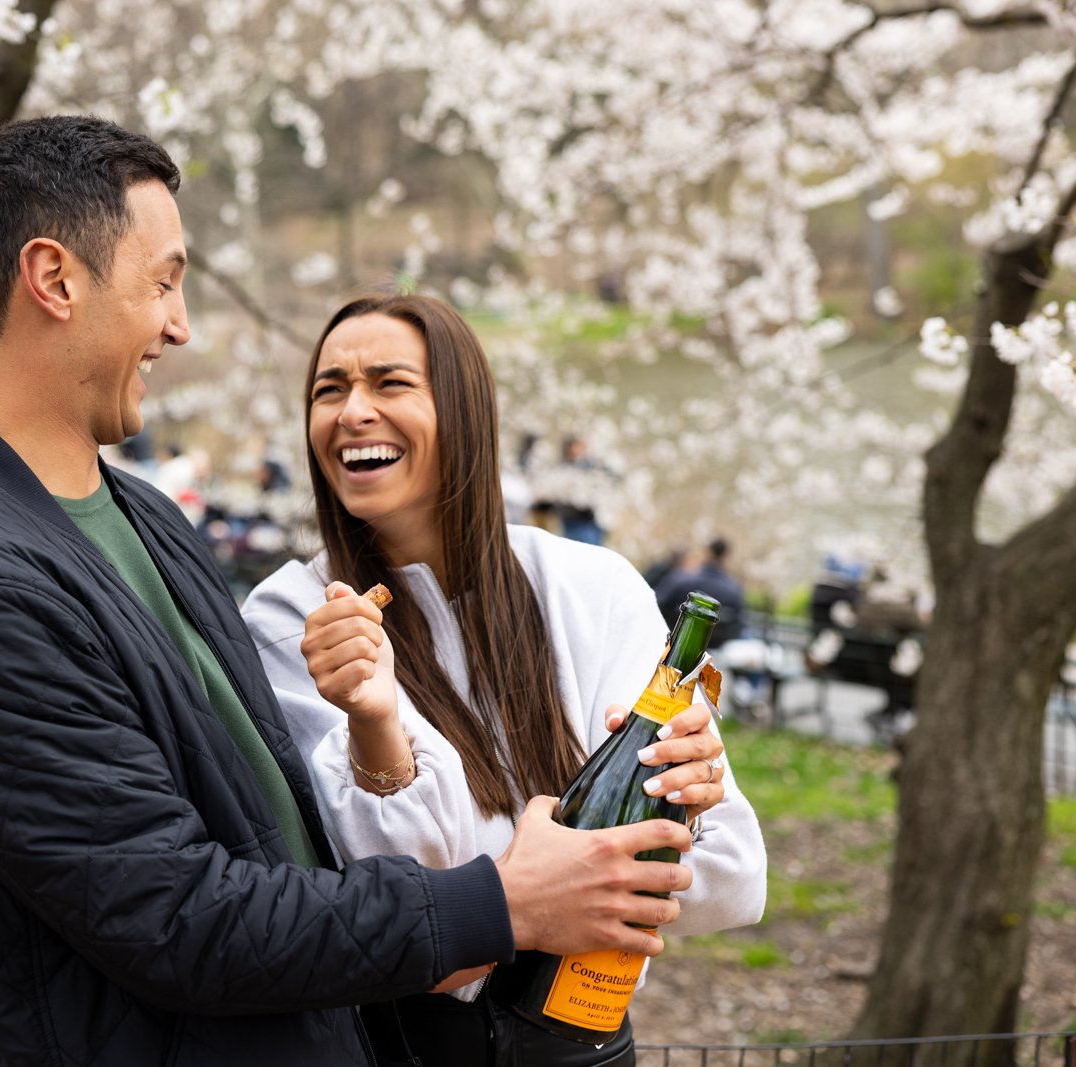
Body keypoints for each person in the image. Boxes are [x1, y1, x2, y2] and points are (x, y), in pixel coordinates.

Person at [0, 116, 700, 1067]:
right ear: (55, 279)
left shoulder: (140, 516)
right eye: (163, 281)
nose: (180, 325)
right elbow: (180, 916)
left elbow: (276, 833)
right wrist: (502, 900)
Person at [242, 294, 766, 1066]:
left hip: (584, 1041)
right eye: (329, 389)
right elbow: (419, 927)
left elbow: (731, 878)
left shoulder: (592, 585)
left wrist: (688, 793)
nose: (353, 411)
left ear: (462, 407)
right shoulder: (295, 617)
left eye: (389, 383)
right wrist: (376, 722)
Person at [652, 537, 745, 648]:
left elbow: (656, 604)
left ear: (707, 553)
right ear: (726, 556)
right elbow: (740, 624)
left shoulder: (681, 579)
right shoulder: (734, 590)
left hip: (675, 647)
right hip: (713, 653)